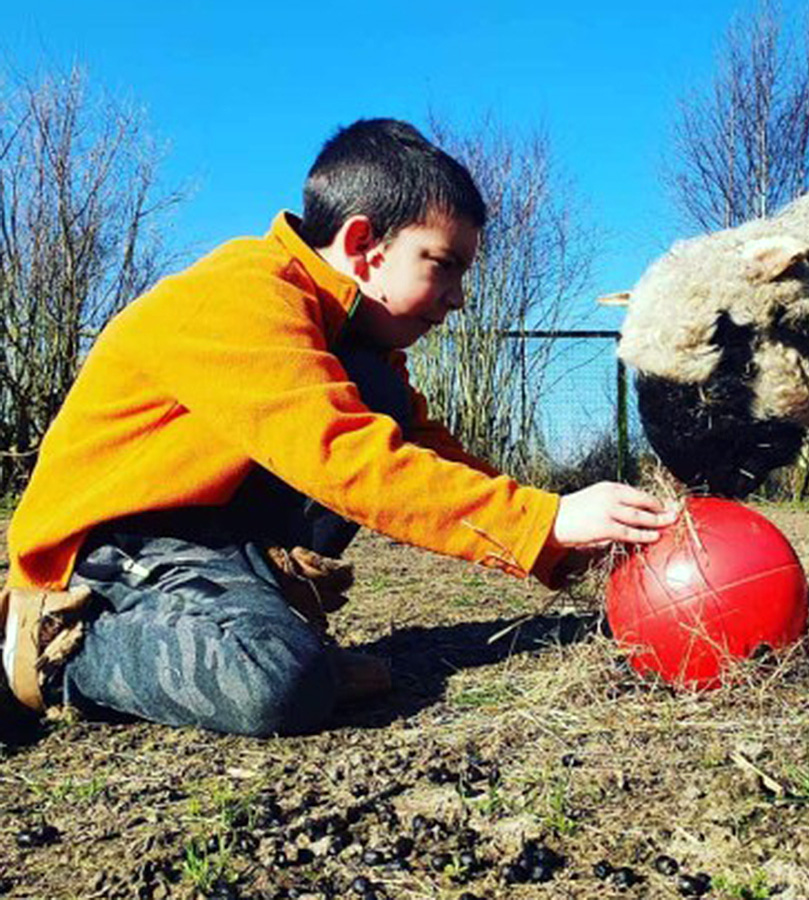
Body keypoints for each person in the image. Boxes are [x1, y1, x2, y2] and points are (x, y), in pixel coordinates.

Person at [0, 118, 674, 737]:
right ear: (362, 244)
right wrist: (543, 520)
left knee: (376, 395)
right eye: (444, 264)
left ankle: (255, 605)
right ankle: (58, 647)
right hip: (110, 549)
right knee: (279, 680)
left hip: (204, 536)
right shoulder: (241, 296)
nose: (459, 297)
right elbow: (345, 459)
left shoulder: (352, 340)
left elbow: (422, 450)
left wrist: (554, 537)